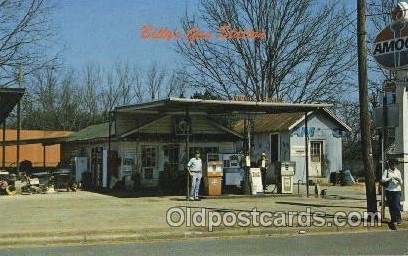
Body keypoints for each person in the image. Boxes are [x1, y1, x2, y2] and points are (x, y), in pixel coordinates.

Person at [381, 159, 403, 226]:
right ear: (389, 165)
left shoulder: (398, 171)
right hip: (389, 191)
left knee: (396, 205)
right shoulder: (386, 171)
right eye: (392, 164)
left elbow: (401, 182)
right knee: (391, 206)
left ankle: (398, 219)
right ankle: (393, 220)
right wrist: (389, 179)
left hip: (397, 190)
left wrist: (398, 179)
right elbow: (382, 179)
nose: (393, 166)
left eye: (394, 164)